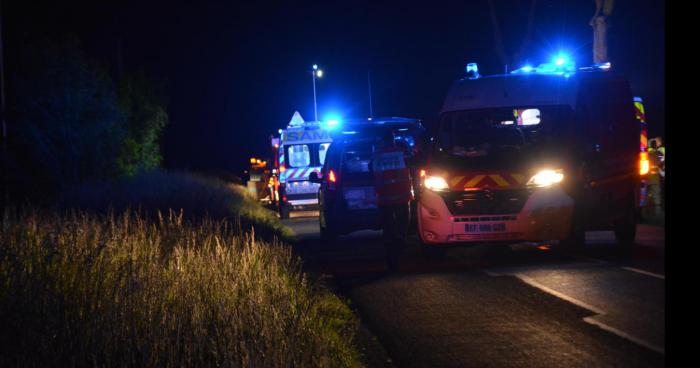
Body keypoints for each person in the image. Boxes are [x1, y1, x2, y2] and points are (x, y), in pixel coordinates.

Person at [372, 131, 414, 272]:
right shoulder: (402, 153)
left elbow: (370, 170)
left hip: (384, 197)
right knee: (403, 224)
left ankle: (390, 246)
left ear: (382, 141)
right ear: (393, 139)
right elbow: (413, 166)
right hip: (402, 195)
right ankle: (401, 240)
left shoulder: (377, 155)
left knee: (388, 227)